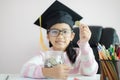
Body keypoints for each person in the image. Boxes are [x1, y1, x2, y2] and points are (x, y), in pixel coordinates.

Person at [21, 0, 98, 79]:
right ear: (48, 36)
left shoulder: (79, 54)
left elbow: (90, 71)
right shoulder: (44, 55)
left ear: (72, 36)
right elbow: (24, 69)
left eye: (65, 32)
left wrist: (84, 43)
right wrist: (49, 72)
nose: (60, 36)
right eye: (54, 32)